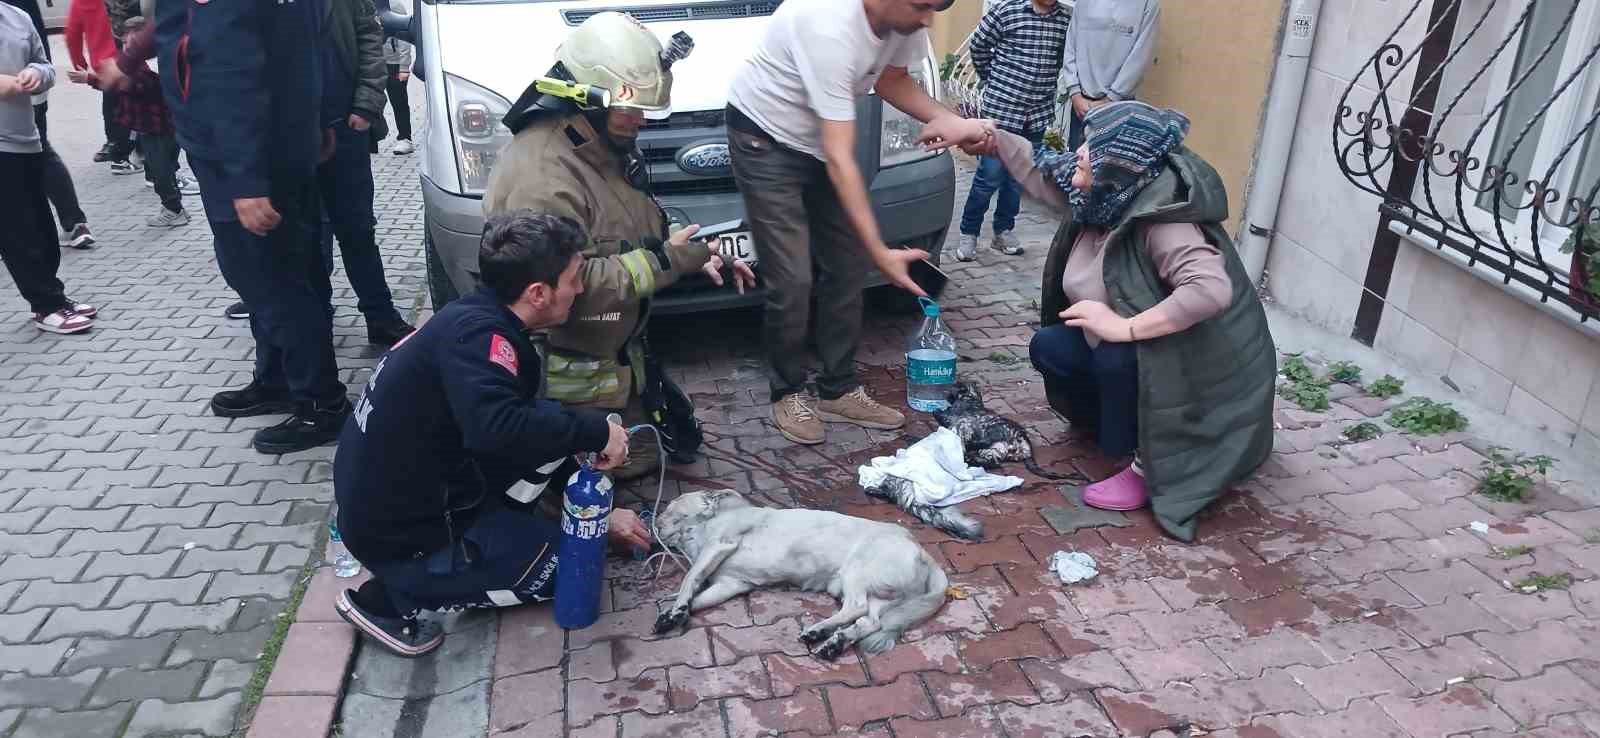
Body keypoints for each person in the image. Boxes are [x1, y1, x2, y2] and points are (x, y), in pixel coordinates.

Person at [332, 211, 650, 657]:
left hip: (419, 497)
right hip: (408, 537)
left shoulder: (476, 317)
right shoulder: (482, 341)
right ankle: (392, 598)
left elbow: (523, 426)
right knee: (570, 569)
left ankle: (507, 534)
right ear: (539, 293)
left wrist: (590, 500)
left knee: (547, 425)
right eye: (575, 278)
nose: (580, 289)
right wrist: (598, 432)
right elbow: (498, 430)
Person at [970, 101, 1274, 541]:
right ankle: (1112, 430)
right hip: (1137, 343)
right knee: (1051, 347)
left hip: (1196, 362)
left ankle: (1148, 466)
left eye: (1091, 147)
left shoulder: (1163, 221)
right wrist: (987, 136)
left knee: (1117, 358)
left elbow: (1210, 289)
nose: (1078, 151)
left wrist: (1123, 327)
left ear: (1119, 161)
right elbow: (1041, 172)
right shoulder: (1104, 195)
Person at [483, 13, 753, 489]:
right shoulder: (543, 176)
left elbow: (636, 219)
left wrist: (701, 249)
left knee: (647, 454)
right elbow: (572, 291)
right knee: (591, 478)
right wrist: (673, 261)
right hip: (567, 378)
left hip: (614, 362)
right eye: (628, 110)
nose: (640, 120)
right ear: (584, 98)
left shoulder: (600, 146)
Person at [725, 0, 994, 446]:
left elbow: (893, 79)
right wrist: (879, 251)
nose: (927, 20)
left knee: (846, 266)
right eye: (922, 6)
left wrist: (948, 119)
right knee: (792, 277)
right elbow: (840, 158)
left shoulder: (901, 17)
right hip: (764, 139)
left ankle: (838, 389)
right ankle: (787, 390)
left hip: (819, 142)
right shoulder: (827, 24)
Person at [99, 0, 351, 455]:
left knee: (272, 283)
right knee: (283, 276)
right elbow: (310, 43)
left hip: (246, 160)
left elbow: (230, 72)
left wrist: (246, 180)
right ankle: (278, 380)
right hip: (280, 147)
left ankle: (321, 404)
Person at [315, 0, 415, 346]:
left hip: (344, 127)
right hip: (292, 136)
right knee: (309, 235)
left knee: (357, 230)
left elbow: (371, 39)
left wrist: (366, 105)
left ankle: (380, 316)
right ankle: (315, 315)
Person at [1, 1, 98, 334]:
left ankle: (55, 296)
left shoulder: (16, 16)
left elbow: (44, 65)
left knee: (41, 223)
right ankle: (46, 305)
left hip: (25, 135)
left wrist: (35, 74)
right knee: (18, 229)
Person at [954, 0, 1068, 263]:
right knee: (989, 176)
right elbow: (979, 46)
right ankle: (969, 232)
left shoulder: (1064, 21)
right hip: (1002, 112)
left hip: (1035, 116)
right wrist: (992, 79)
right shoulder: (1007, 10)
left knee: (1017, 179)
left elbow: (1062, 58)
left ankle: (1003, 230)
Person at [68, 0, 189, 228]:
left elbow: (132, 86)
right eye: (123, 42)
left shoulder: (144, 66)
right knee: (159, 168)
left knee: (161, 170)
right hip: (151, 126)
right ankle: (172, 203)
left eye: (130, 40)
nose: (126, 46)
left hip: (157, 127)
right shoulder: (141, 62)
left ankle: (173, 208)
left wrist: (94, 78)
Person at [1059, 0, 1160, 151]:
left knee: (1108, 170)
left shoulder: (1147, 4)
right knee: (1076, 164)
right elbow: (1071, 45)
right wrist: (1075, 94)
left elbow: (1140, 57)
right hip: (1080, 105)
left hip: (1118, 107)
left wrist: (1111, 99)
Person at [383, 13, 414, 155]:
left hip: (394, 63)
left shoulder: (394, 5)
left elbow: (404, 39)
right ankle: (370, 140)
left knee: (399, 101)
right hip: (373, 61)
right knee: (370, 100)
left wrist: (404, 67)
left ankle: (405, 138)